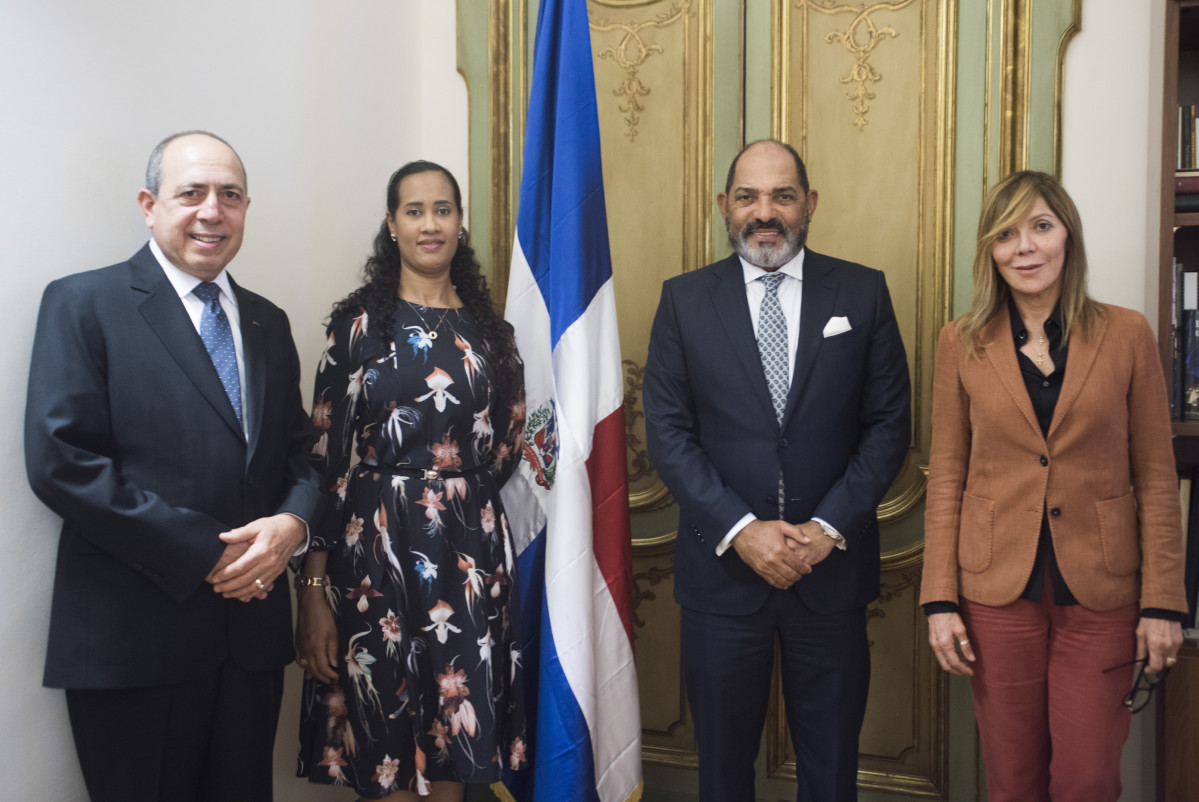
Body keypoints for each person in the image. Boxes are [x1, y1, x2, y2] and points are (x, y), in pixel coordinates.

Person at [24, 131, 323, 801]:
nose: (211, 211)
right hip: (132, 644)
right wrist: (204, 553)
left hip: (247, 649)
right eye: (191, 193)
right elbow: (62, 462)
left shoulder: (267, 324)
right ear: (149, 205)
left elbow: (301, 454)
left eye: (230, 195)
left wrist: (292, 527)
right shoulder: (83, 305)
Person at [643, 139, 911, 802]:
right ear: (723, 207)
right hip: (722, 581)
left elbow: (888, 427)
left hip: (831, 577)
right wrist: (743, 530)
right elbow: (669, 435)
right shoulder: (682, 301)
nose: (764, 212)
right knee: (723, 774)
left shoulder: (861, 292)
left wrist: (824, 528)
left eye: (781, 195)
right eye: (747, 196)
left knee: (829, 771)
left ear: (808, 204)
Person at [921, 170, 1188, 802]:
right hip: (994, 592)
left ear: (1068, 236)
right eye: (1007, 234)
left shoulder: (1127, 334)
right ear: (991, 249)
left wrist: (1164, 603)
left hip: (1102, 592)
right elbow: (947, 475)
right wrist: (939, 601)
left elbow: (1154, 473)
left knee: (1087, 780)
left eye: (1041, 227)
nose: (1026, 248)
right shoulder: (962, 343)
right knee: (1012, 782)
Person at [294, 161, 527, 801]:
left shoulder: (492, 335)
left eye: (443, 209)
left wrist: (452, 492)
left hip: (468, 555)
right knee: (389, 748)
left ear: (461, 223)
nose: (431, 224)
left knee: (454, 744)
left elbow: (506, 444)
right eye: (415, 211)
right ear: (392, 225)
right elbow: (325, 461)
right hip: (374, 557)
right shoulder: (357, 329)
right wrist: (312, 587)